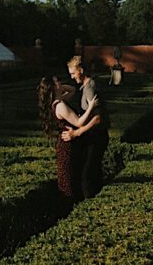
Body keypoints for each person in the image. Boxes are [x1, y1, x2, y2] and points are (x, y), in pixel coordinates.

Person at [38, 76, 99, 200]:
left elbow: (72, 90)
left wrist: (59, 88)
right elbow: (79, 122)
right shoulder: (60, 105)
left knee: (72, 174)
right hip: (68, 146)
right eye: (57, 82)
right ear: (53, 88)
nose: (60, 82)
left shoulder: (56, 101)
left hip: (68, 143)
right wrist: (91, 106)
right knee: (70, 177)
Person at [63, 55, 110, 199]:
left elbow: (97, 118)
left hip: (97, 137)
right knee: (93, 174)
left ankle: (91, 205)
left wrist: (76, 133)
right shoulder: (86, 86)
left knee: (87, 177)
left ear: (81, 70)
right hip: (94, 137)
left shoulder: (90, 88)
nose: (72, 77)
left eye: (73, 73)